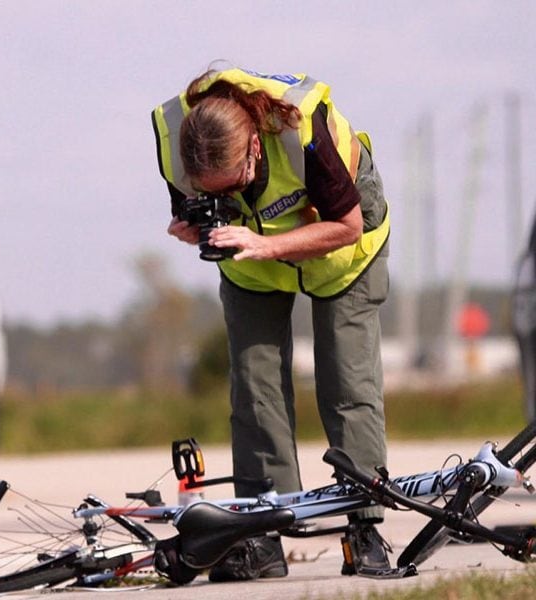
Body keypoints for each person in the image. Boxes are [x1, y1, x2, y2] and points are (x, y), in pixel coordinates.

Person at [151, 67, 393, 580]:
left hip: (345, 249)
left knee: (347, 385)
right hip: (252, 257)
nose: (226, 193)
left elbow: (347, 226)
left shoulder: (302, 132)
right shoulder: (178, 141)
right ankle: (259, 537)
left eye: (234, 184)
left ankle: (364, 528)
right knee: (254, 389)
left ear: (255, 151)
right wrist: (194, 231)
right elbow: (195, 212)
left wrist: (266, 244)